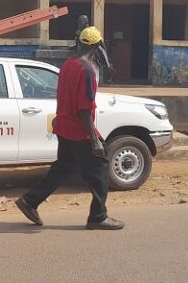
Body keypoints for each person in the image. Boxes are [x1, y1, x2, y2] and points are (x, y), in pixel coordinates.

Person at [15, 23, 124, 230]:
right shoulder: (87, 71)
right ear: (98, 46)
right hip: (78, 130)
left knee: (62, 168)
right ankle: (98, 217)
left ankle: (30, 201)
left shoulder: (67, 65)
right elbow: (84, 109)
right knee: (100, 169)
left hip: (63, 127)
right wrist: (94, 140)